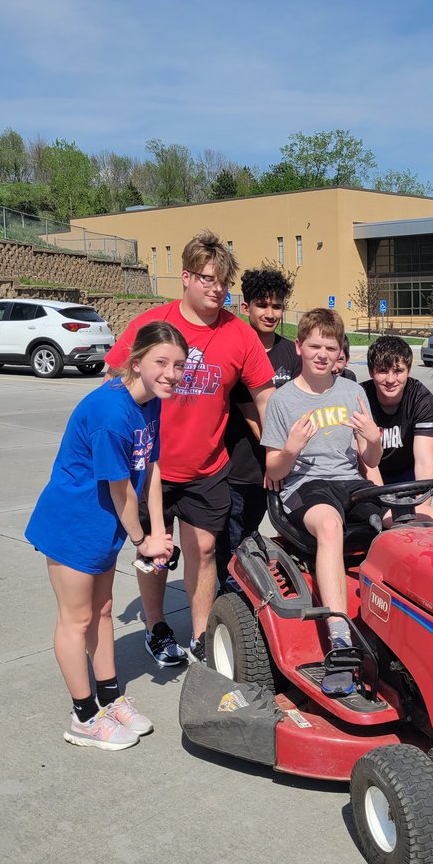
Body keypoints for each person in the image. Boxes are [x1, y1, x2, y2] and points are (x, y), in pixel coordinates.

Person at [104, 232, 275, 668]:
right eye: (207, 279)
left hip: (206, 468)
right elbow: (113, 383)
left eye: (224, 282)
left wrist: (281, 450)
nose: (217, 289)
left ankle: (201, 635)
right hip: (151, 466)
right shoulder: (153, 324)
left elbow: (266, 399)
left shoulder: (239, 334)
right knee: (155, 551)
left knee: (203, 550)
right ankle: (156, 626)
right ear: (185, 277)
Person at [26, 322, 188, 750]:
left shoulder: (150, 401)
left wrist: (159, 531)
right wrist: (142, 541)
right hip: (73, 524)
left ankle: (110, 697)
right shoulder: (111, 413)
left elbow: (151, 468)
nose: (171, 373)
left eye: (179, 365)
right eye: (161, 362)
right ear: (136, 362)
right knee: (76, 619)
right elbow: (120, 489)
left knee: (103, 611)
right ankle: (83, 716)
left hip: (104, 526)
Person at [262, 309, 382, 697]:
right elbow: (274, 468)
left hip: (349, 481)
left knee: (400, 520)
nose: (322, 354)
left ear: (339, 352)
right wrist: (291, 448)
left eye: (330, 348)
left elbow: (370, 459)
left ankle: (399, 624)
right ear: (299, 347)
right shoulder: (282, 401)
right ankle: (340, 638)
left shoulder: (352, 392)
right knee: (330, 525)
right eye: (314, 346)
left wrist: (374, 439)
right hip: (305, 486)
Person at [216, 263, 301, 592]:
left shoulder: (289, 352)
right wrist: (276, 454)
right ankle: (227, 599)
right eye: (262, 305)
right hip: (242, 465)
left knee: (259, 534)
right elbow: (253, 413)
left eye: (276, 306)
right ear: (245, 307)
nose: (270, 313)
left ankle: (248, 593)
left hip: (278, 464)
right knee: (231, 538)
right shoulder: (236, 347)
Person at [361, 334, 433, 485]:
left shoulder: (421, 399)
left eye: (398, 371)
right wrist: (380, 497)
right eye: (382, 370)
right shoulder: (360, 397)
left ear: (408, 371)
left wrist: (423, 499)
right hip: (368, 473)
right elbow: (365, 462)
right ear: (371, 372)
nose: (390, 379)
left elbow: (424, 461)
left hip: (407, 472)